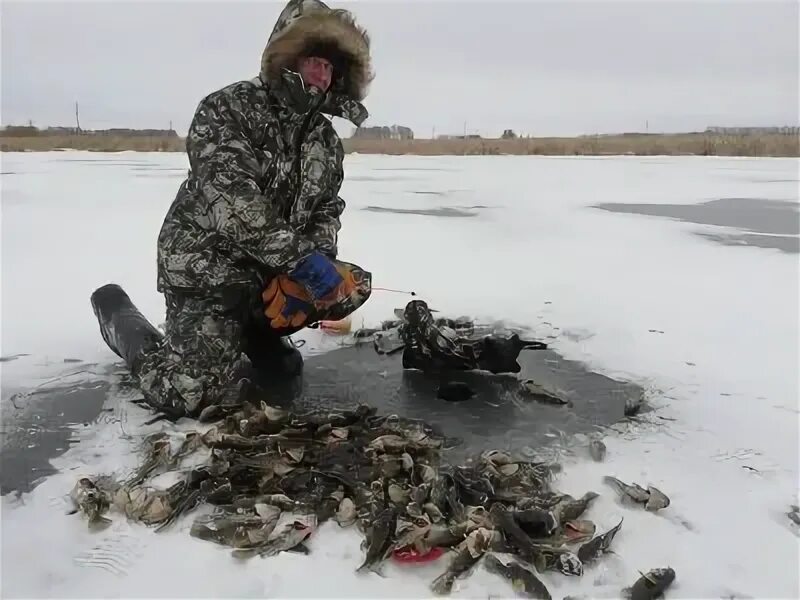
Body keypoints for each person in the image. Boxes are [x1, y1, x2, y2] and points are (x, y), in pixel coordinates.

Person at [90, 0, 374, 420]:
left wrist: (318, 260)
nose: (321, 73)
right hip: (206, 272)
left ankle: (258, 335)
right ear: (287, 57)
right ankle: (117, 313)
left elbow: (326, 209)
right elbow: (232, 201)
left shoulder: (325, 141)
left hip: (267, 274)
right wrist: (301, 261)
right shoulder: (228, 109)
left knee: (353, 285)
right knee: (188, 394)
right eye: (313, 60)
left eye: (331, 66)